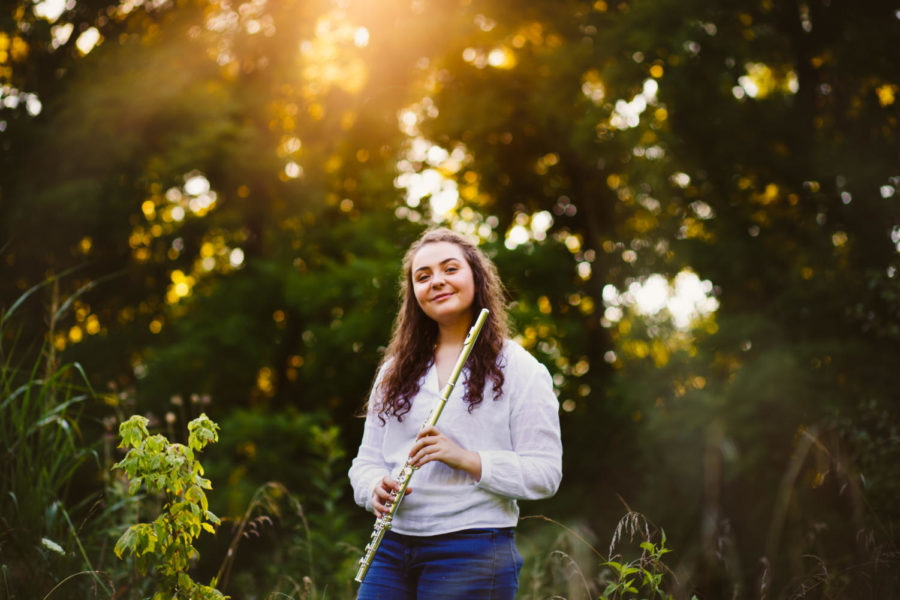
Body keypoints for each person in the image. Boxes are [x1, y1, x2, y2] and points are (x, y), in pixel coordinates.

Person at [349, 227, 563, 599]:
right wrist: (373, 488)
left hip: (473, 548)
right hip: (392, 548)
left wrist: (464, 459)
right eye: (423, 276)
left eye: (450, 269)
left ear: (476, 278)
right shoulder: (395, 371)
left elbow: (545, 473)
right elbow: (366, 462)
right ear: (413, 293)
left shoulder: (520, 368)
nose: (437, 282)